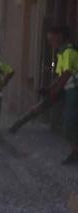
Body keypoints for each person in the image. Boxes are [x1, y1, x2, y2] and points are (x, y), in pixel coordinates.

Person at [44, 24, 78, 164]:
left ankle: (75, 152)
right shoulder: (62, 53)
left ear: (61, 36)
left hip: (75, 90)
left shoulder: (69, 52)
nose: (51, 43)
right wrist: (49, 87)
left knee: (70, 122)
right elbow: (59, 75)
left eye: (52, 40)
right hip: (70, 91)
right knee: (69, 123)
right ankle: (74, 152)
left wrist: (55, 91)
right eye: (49, 40)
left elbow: (67, 73)